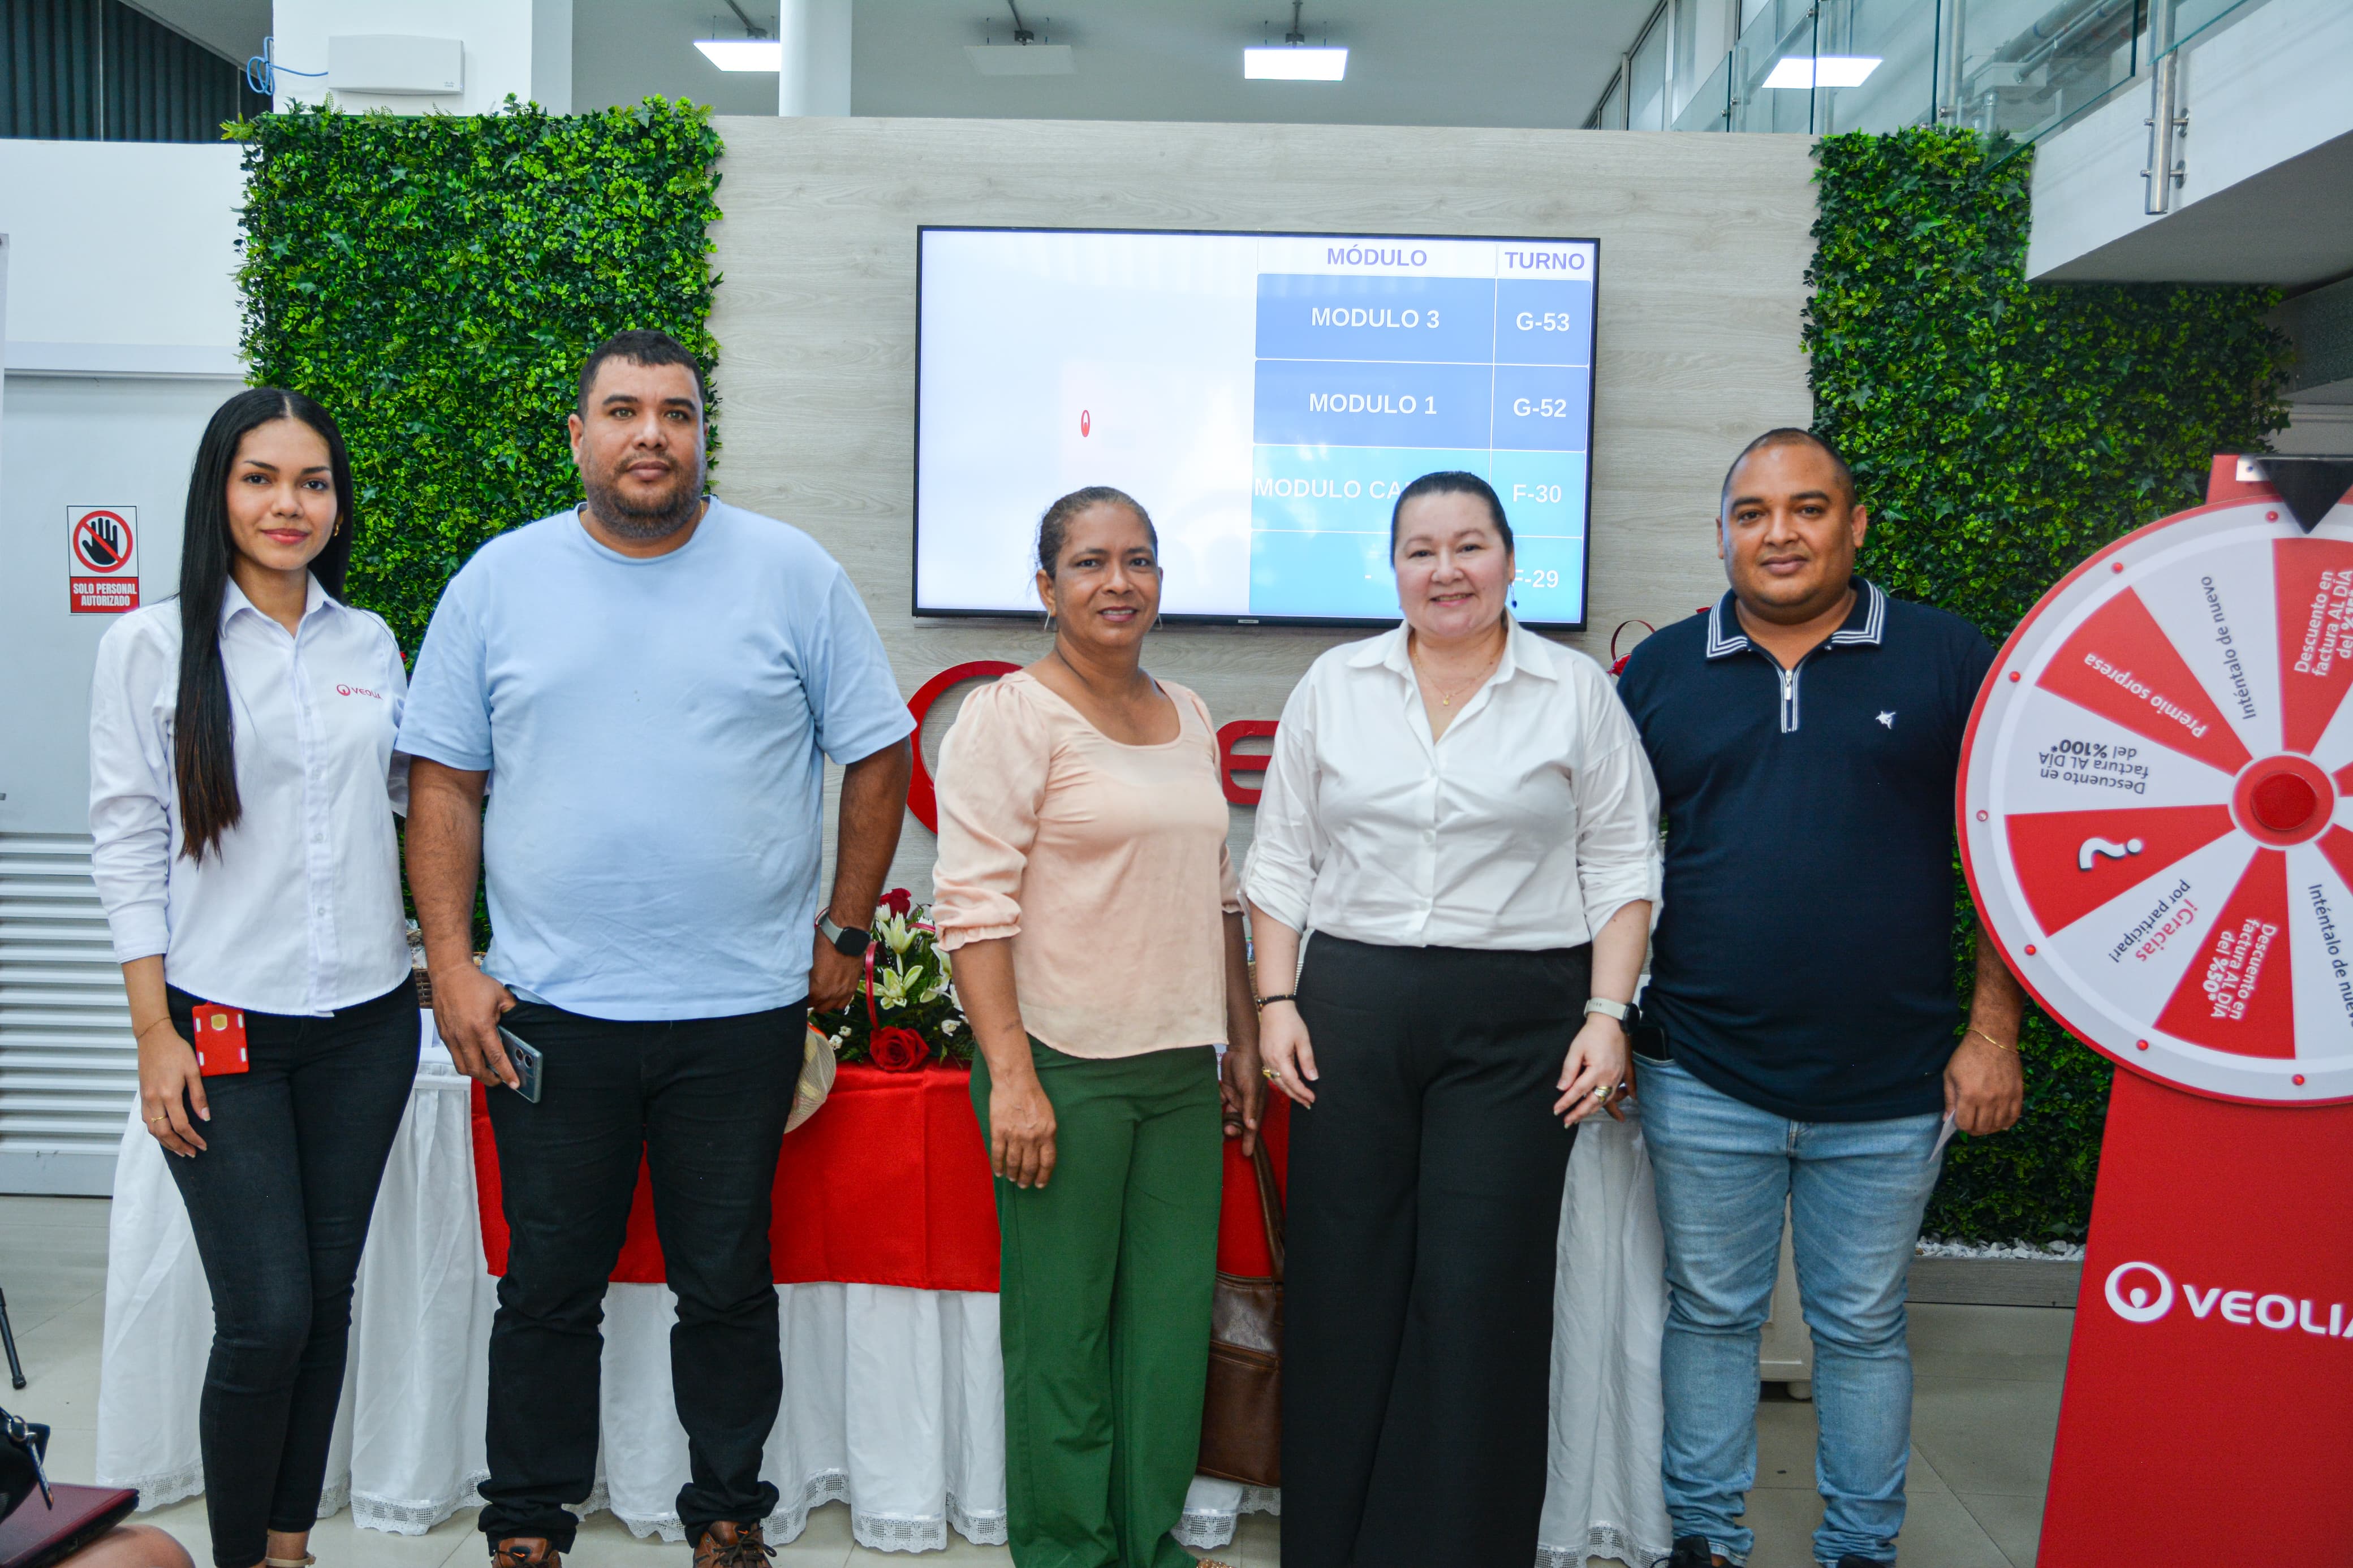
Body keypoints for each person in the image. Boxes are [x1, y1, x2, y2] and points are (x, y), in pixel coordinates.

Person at [398, 330, 916, 1568]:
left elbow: (880, 747)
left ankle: (728, 1515)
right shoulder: (499, 581)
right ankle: (527, 1526)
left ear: (702, 436)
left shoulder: (790, 573)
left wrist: (846, 927)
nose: (650, 434)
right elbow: (443, 783)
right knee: (547, 1288)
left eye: (675, 413)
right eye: (623, 410)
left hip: (739, 1008)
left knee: (726, 1282)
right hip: (550, 1008)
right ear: (578, 434)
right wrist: (452, 963)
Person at [1614, 429, 2026, 1568]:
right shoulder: (1661, 673)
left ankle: (1860, 1545)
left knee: (1861, 1325)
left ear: (1854, 524)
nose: (1779, 533)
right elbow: (1605, 864)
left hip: (1894, 1080)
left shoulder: (1947, 658)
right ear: (1721, 536)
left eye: (1807, 508)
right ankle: (1704, 1536)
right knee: (1710, 1316)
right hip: (1701, 1068)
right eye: (1752, 513)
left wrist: (1992, 1031)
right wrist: (1605, 1025)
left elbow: (2009, 856)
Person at [1247, 472, 1661, 1568]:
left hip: (1519, 1023)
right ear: (1392, 568)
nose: (1446, 571)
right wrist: (1276, 1001)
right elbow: (1281, 860)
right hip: (1350, 1012)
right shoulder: (1336, 684)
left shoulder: (1573, 691)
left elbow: (1623, 861)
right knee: (1345, 1281)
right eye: (1421, 550)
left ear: (1512, 561)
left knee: (1483, 1292)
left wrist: (1608, 1013)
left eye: (1469, 546)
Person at [88, 388, 418, 1568]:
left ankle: (288, 1550)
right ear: (218, 493)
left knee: (324, 1301)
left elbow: (414, 805)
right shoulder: (148, 645)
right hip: (220, 1021)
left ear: (337, 503)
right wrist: (153, 1031)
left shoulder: (369, 642)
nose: (290, 505)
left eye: (313, 482)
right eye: (261, 478)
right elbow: (126, 841)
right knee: (266, 1312)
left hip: (367, 1022)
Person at [930, 486, 1262, 1568]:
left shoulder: (1190, 712)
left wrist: (1241, 1039)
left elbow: (1218, 894)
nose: (1119, 582)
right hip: (1060, 1067)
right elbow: (972, 908)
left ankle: (1143, 1544)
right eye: (1090, 562)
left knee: (1164, 1339)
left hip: (1178, 1073)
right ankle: (1070, 1552)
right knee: (1063, 1340)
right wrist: (1013, 1077)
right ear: (1046, 585)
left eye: (1139, 560)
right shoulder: (1010, 716)